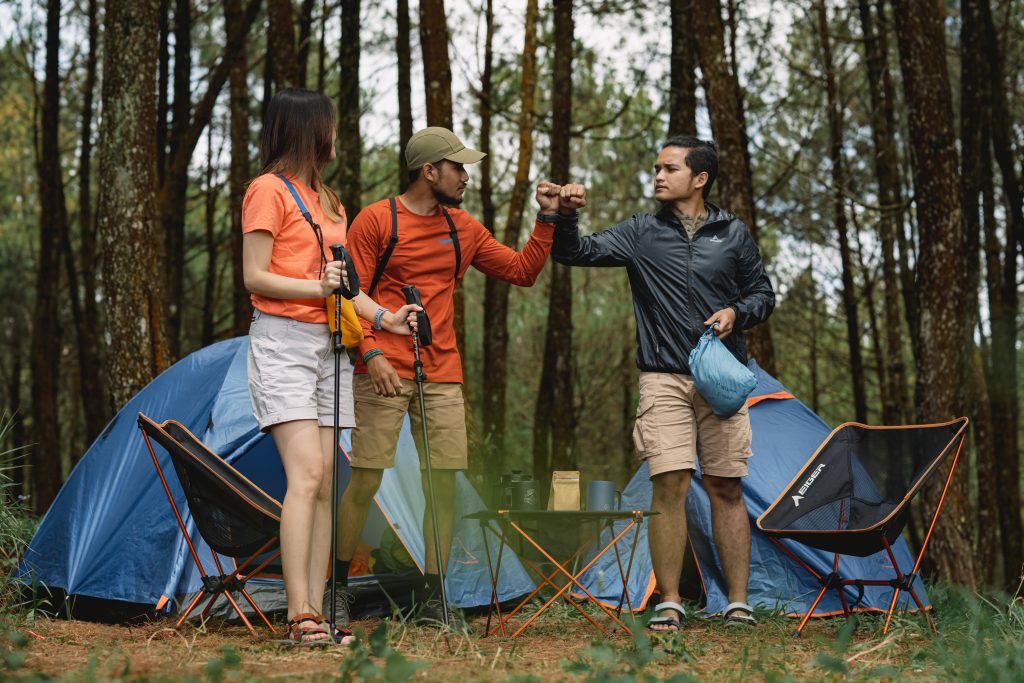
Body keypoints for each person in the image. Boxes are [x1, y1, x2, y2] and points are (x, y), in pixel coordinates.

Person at [334, 126, 570, 627]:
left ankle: (432, 598)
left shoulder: (463, 227)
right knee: (366, 479)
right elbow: (348, 293)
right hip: (382, 367)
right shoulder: (377, 220)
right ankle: (336, 589)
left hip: (441, 372)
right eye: (458, 167)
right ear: (429, 171)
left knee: (443, 483)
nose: (465, 176)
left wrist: (547, 217)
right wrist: (371, 353)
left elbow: (522, 270)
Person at [550, 136, 775, 631]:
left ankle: (738, 602)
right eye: (655, 167)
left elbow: (763, 293)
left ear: (699, 178)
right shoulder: (640, 233)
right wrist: (562, 215)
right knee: (668, 485)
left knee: (727, 487)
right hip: (662, 380)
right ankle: (670, 600)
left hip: (722, 382)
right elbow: (575, 253)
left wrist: (738, 312)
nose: (657, 175)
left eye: (668, 168)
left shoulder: (733, 234)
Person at [242, 88, 420, 645]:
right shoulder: (266, 191)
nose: (337, 135)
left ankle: (318, 610)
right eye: (333, 125)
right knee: (309, 477)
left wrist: (385, 318)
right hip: (283, 344)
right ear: (309, 129)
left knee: (324, 485)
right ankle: (299, 616)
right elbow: (255, 276)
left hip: (329, 347)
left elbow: (346, 287)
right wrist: (315, 286)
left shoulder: (330, 201)